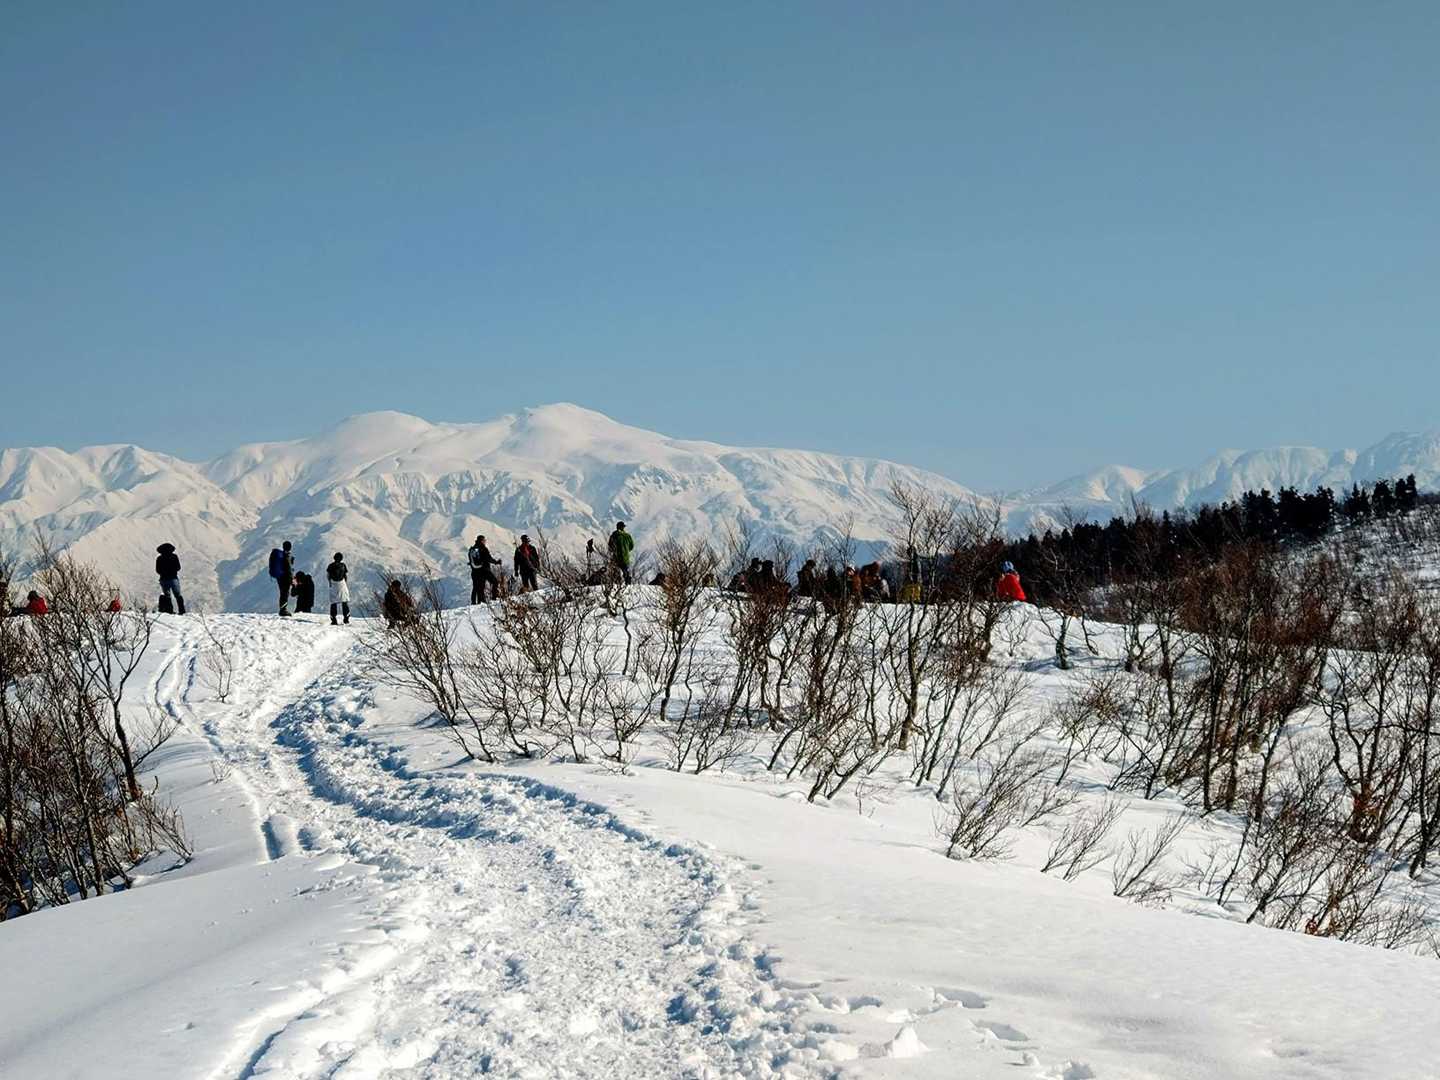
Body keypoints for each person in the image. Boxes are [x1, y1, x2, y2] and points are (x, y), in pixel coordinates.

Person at [155, 542, 186, 615]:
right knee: (178, 595)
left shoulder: (159, 558)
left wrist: (164, 572)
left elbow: (157, 570)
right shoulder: (174, 557)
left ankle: (169, 611)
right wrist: (172, 571)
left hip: (163, 579)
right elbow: (178, 567)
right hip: (173, 578)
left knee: (167, 596)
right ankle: (182, 611)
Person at [468, 535, 500, 603]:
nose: (485, 542)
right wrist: (496, 562)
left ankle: (477, 602)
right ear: (482, 541)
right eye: (484, 540)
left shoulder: (472, 549)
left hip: (475, 571)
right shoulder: (483, 548)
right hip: (485, 570)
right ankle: (494, 598)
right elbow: (488, 558)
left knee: (478, 587)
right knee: (495, 582)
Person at [269, 541, 295, 616]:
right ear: (290, 547)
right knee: (285, 593)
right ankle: (283, 610)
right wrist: (292, 579)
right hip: (285, 577)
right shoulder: (287, 556)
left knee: (282, 592)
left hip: (280, 577)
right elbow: (288, 569)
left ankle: (283, 609)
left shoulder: (282, 555)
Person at [326, 552, 351, 625]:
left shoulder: (330, 566)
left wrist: (330, 583)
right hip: (342, 584)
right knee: (344, 601)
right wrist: (344, 583)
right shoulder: (343, 565)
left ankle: (333, 619)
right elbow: (345, 576)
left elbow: (328, 576)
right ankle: (346, 619)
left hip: (333, 585)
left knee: (333, 602)